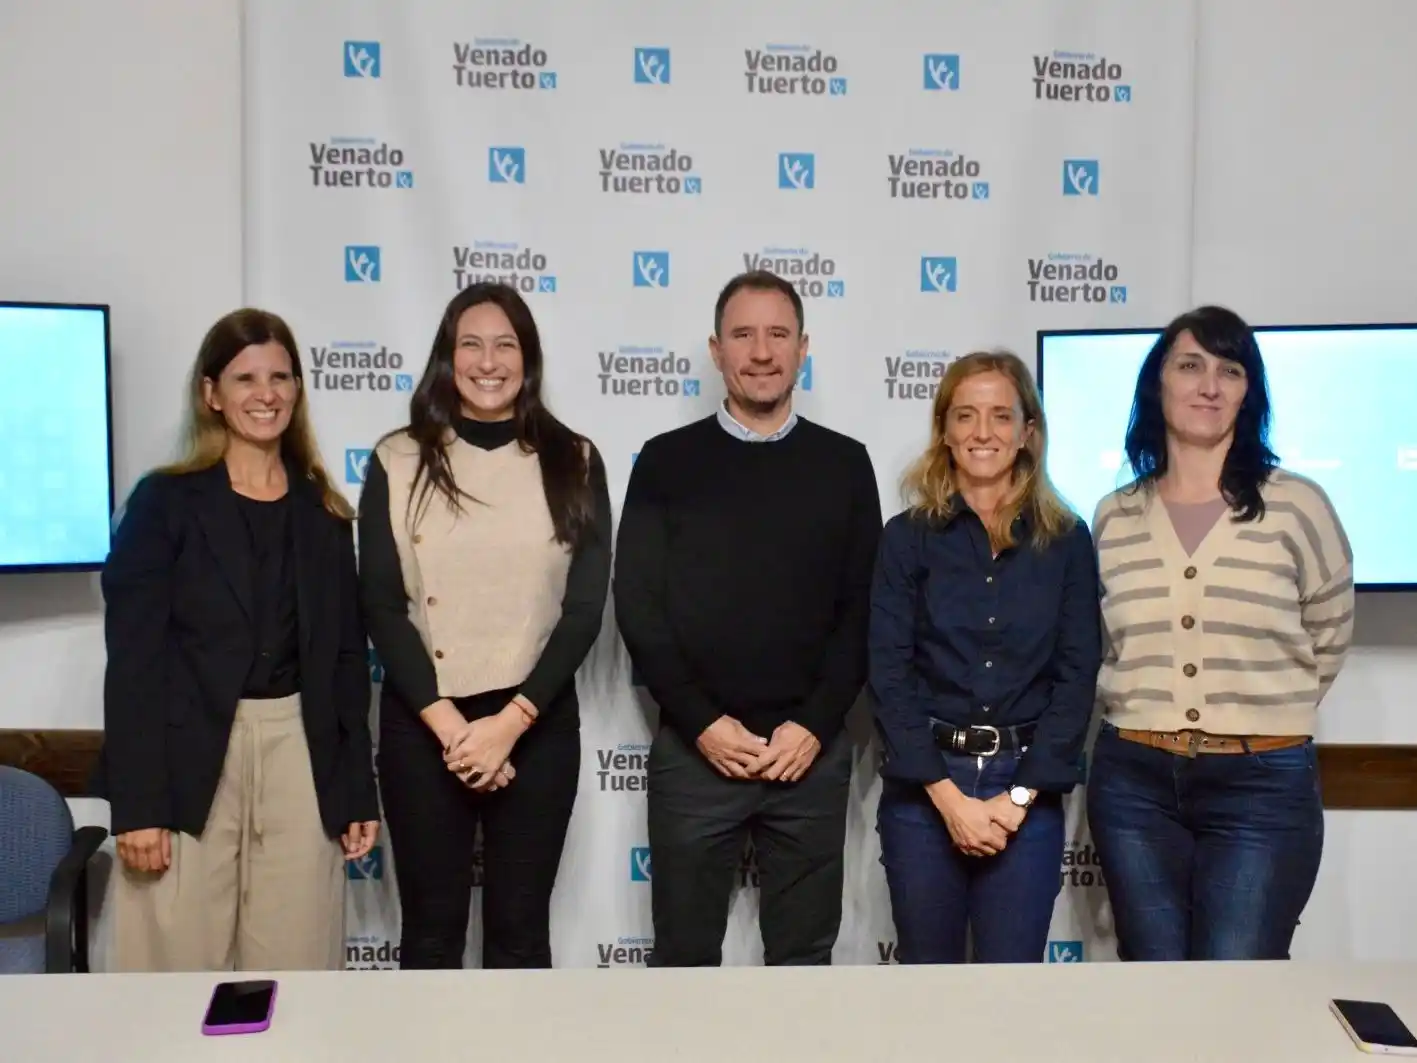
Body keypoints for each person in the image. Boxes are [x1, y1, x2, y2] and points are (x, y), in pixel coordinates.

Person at [95, 308, 380, 972]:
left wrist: (355, 793)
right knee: (175, 965)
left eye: (281, 376)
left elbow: (343, 663)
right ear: (210, 393)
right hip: (186, 761)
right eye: (246, 376)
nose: (266, 393)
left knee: (298, 965)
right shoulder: (163, 504)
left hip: (298, 753)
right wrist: (137, 806)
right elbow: (133, 663)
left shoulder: (325, 513)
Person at [615, 269, 882, 967]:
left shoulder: (845, 464)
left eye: (776, 334)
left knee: (801, 961)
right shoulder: (665, 463)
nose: (760, 352)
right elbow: (638, 606)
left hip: (810, 756)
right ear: (715, 349)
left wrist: (813, 725)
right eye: (742, 334)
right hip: (696, 754)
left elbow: (863, 609)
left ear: (802, 348)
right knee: (683, 959)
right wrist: (702, 723)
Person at [1087, 305, 1354, 961]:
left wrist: (1254, 713)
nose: (1208, 384)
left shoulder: (1298, 504)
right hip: (1133, 785)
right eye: (1189, 365)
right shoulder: (1113, 516)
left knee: (1236, 983)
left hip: (1261, 784)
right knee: (1153, 980)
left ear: (1247, 392)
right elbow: (1102, 642)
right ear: (1158, 383)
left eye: (1228, 370)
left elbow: (1328, 632)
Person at [358, 282, 611, 969]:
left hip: (535, 723)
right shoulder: (397, 458)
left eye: (506, 344)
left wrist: (507, 725)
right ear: (447, 356)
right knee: (431, 934)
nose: (488, 360)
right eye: (471, 343)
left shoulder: (575, 459)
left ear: (528, 359)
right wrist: (452, 729)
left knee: (521, 936)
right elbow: (382, 604)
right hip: (424, 722)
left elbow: (583, 609)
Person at [867, 351, 1101, 964]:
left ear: (1028, 432)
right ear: (944, 429)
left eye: (1001, 416)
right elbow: (888, 674)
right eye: (965, 415)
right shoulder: (906, 537)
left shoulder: (1068, 540)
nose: (982, 432)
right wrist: (949, 799)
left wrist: (1015, 800)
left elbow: (1076, 677)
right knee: (929, 984)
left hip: (1024, 790)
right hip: (926, 791)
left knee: (1010, 991)